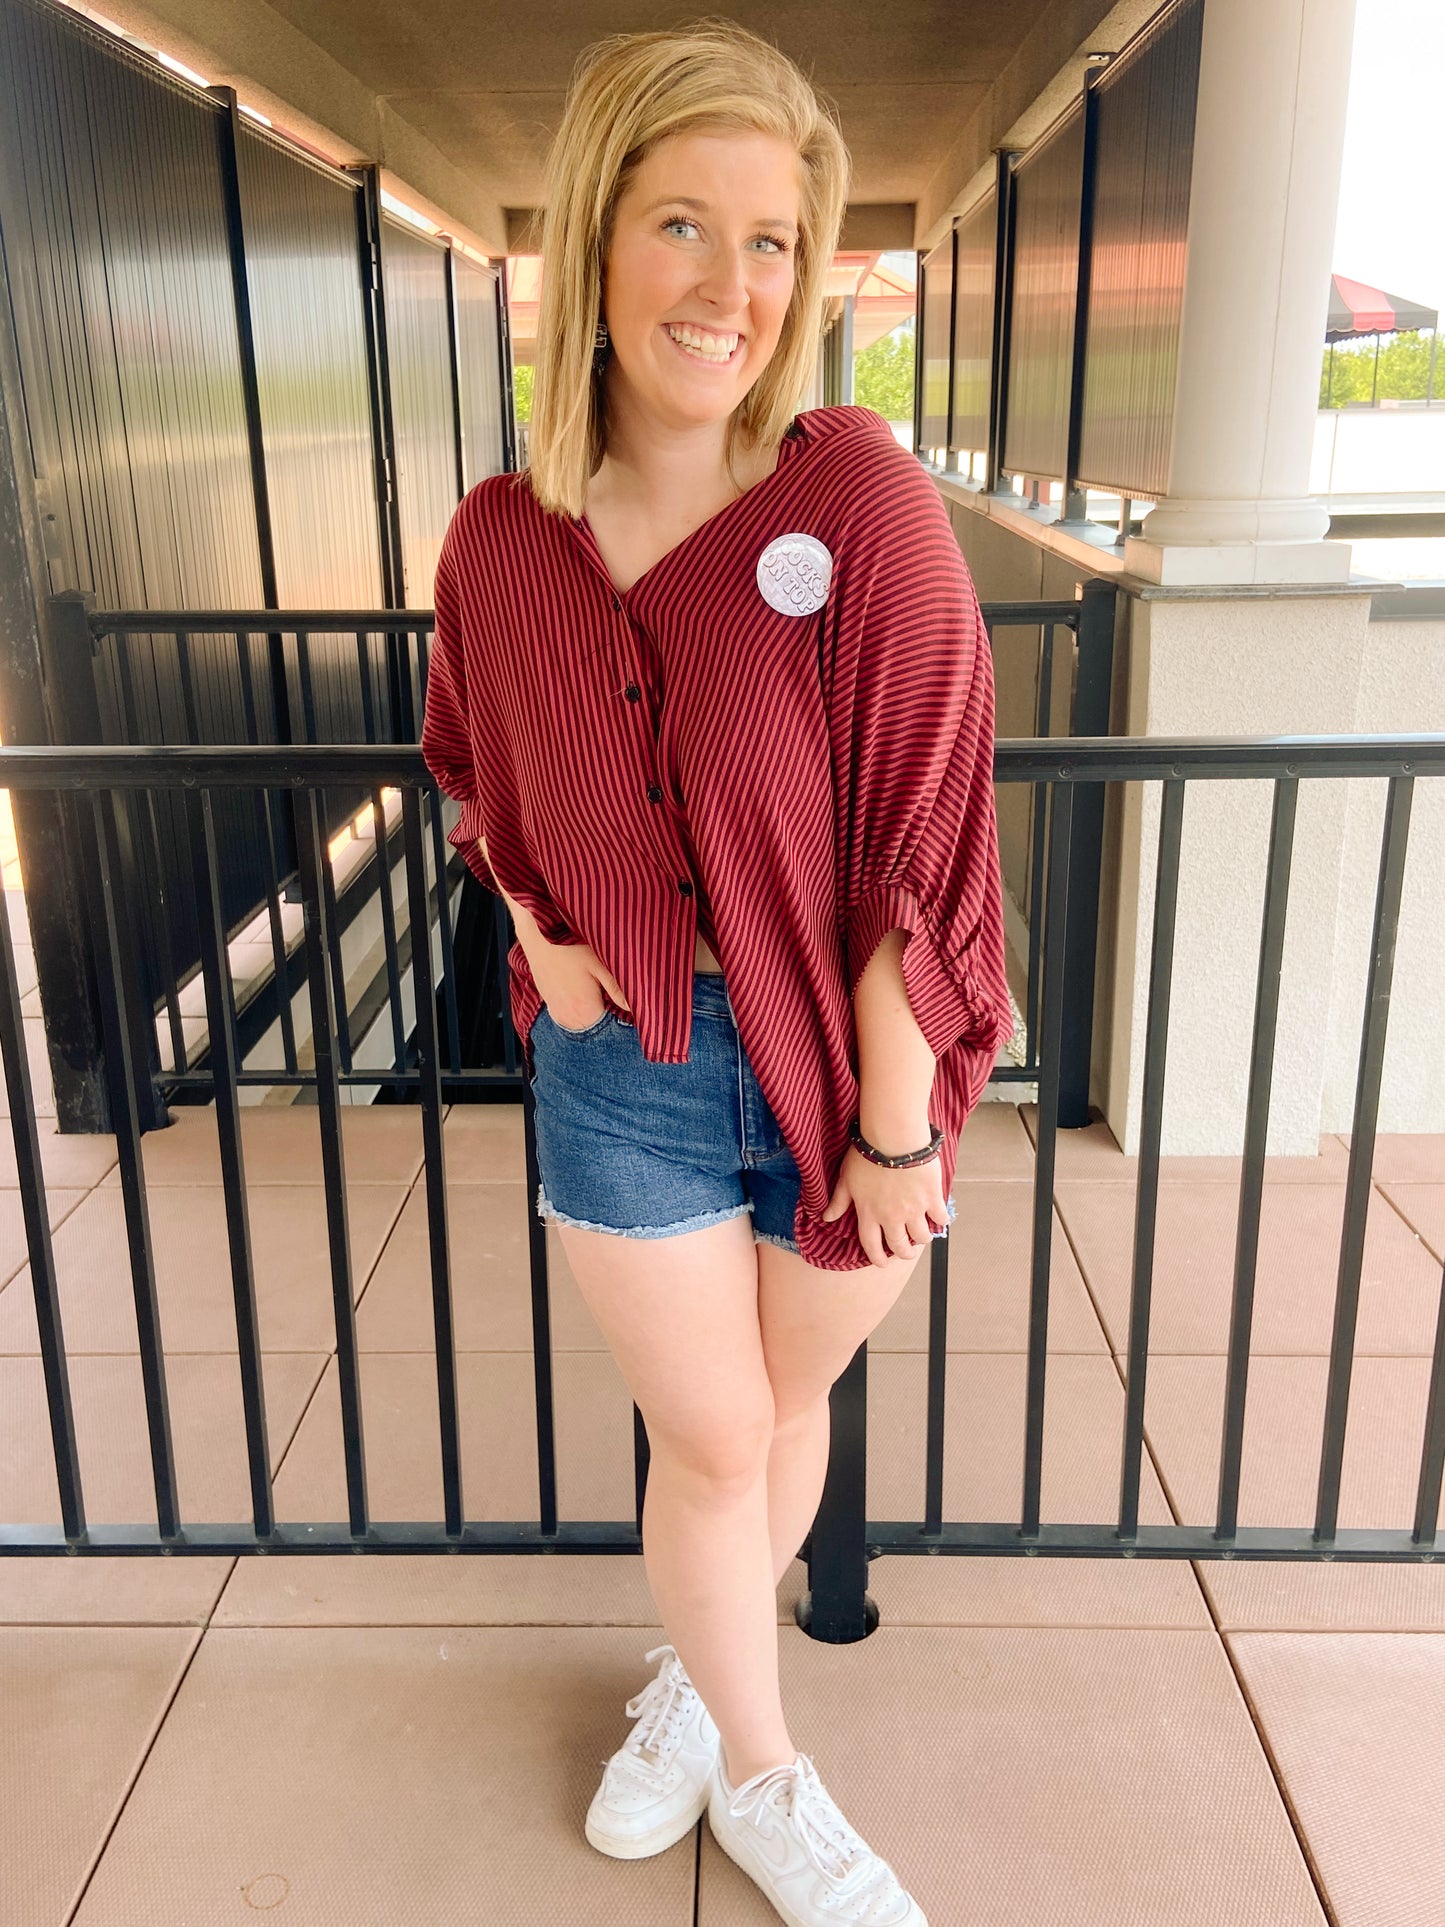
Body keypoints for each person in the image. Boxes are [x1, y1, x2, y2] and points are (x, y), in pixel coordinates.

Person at [421, 20, 1010, 1926]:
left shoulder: (853, 495)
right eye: (685, 223)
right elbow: (465, 765)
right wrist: (541, 939)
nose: (734, 287)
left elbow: (920, 828)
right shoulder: (501, 542)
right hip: (630, 1077)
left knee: (779, 1417)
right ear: (596, 238)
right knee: (712, 1433)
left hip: (849, 1079)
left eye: (775, 241)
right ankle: (766, 1777)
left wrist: (900, 1127)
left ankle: (698, 1673)